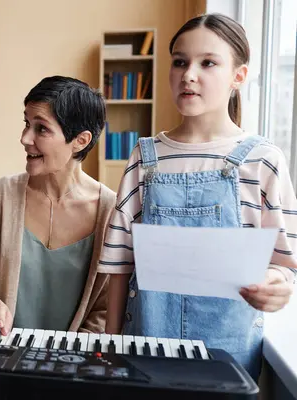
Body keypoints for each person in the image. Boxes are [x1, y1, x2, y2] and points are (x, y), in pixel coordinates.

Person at [99, 13, 296, 381]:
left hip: (230, 359)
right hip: (144, 351)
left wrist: (277, 288)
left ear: (239, 76)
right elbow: (119, 263)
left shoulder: (264, 160)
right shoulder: (144, 156)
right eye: (179, 62)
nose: (189, 74)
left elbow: (283, 263)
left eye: (208, 63)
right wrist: (111, 347)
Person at [0, 76, 115, 336]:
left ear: (80, 140)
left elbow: (108, 309)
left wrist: (69, 358)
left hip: (72, 369)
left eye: (41, 129)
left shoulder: (111, 212)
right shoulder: (0, 195)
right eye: (27, 124)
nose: (25, 138)